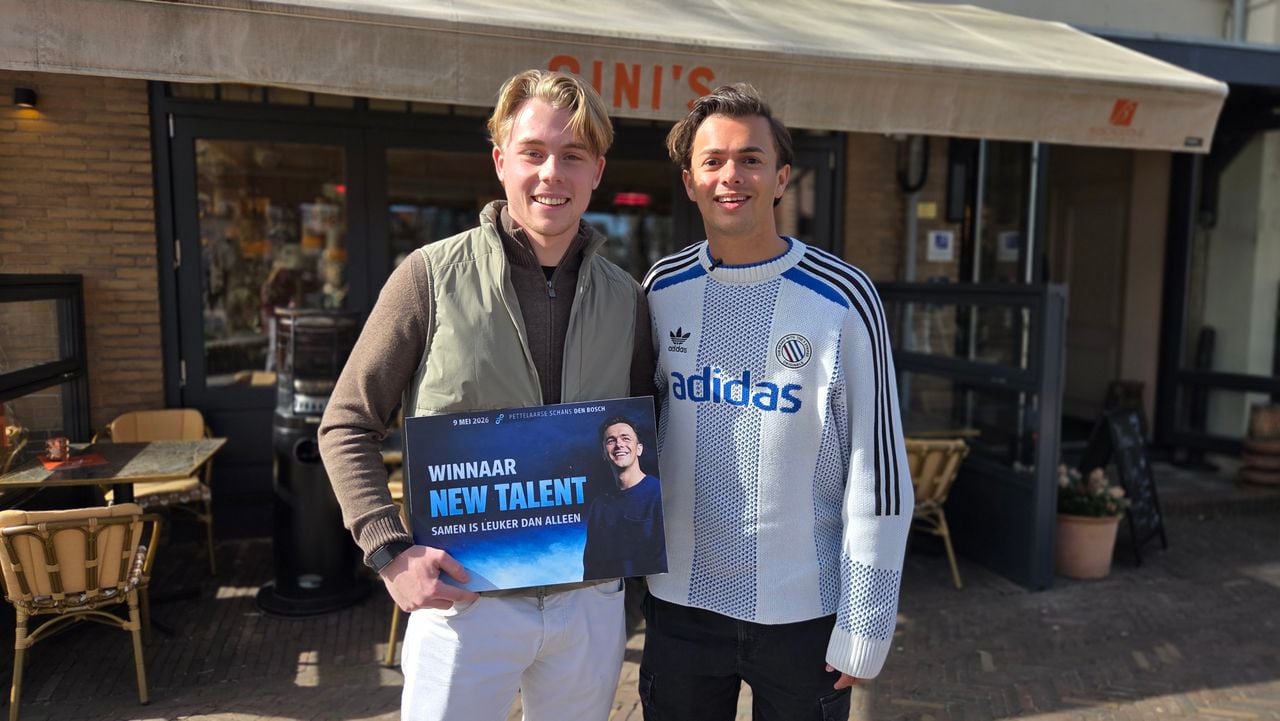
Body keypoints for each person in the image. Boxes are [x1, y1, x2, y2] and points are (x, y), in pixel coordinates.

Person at [318, 69, 654, 721]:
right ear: (502, 162)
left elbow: (645, 438)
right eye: (532, 152)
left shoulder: (629, 300)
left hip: (589, 604)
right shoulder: (428, 277)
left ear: (597, 172)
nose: (550, 173)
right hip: (466, 598)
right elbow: (346, 422)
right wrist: (388, 549)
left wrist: (629, 581)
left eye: (572, 156)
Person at [640, 84, 914, 721]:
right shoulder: (660, 289)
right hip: (681, 607)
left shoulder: (844, 297)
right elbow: (634, 436)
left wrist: (866, 622)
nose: (730, 176)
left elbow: (880, 473)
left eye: (750, 159)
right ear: (689, 181)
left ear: (782, 176)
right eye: (712, 161)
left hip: (803, 617)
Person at [582, 415, 666, 580]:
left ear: (639, 448)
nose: (619, 444)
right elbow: (591, 568)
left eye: (625, 438)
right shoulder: (599, 506)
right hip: (611, 595)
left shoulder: (659, 494)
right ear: (604, 453)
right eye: (611, 440)